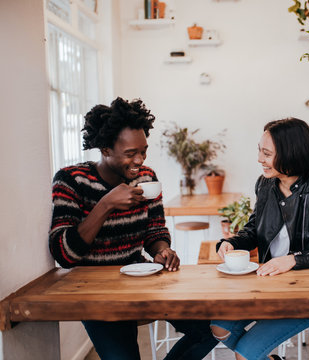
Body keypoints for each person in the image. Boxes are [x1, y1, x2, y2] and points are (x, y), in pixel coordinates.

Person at [49, 97, 217, 360]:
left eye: (143, 150)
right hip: (96, 294)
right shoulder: (71, 181)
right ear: (105, 150)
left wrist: (162, 250)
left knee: (210, 329)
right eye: (130, 153)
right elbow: (64, 254)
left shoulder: (146, 178)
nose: (140, 160)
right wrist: (106, 205)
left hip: (141, 281)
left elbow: (155, 231)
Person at [210, 118, 309, 360]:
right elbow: (254, 229)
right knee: (219, 327)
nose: (259, 159)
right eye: (259, 150)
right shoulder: (265, 185)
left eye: (267, 153)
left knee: (244, 356)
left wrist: (294, 260)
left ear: (291, 153)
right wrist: (232, 242)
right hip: (269, 286)